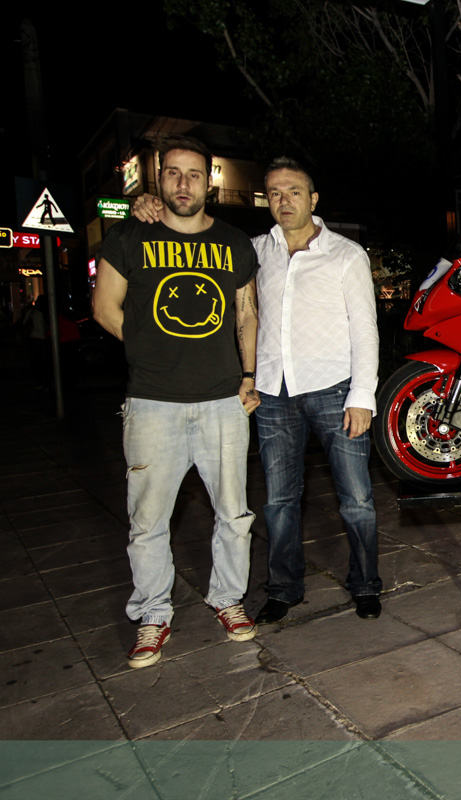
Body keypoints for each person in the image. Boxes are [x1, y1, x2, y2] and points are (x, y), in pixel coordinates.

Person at [134, 158, 382, 623]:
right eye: (274, 193)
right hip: (271, 393)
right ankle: (284, 589)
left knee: (357, 499)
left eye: (294, 191)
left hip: (334, 389)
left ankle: (365, 584)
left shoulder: (346, 254)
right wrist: (148, 206)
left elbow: (365, 331)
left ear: (313, 199)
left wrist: (362, 395)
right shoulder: (251, 250)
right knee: (278, 501)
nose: (284, 201)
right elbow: (197, 247)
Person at [92, 136, 260, 669]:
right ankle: (152, 614)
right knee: (147, 520)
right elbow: (104, 307)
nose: (183, 183)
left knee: (233, 513)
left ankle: (228, 599)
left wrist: (248, 376)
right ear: (158, 178)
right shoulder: (129, 235)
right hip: (152, 403)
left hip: (223, 401)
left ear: (209, 181)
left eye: (193, 174)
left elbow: (247, 313)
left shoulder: (234, 242)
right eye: (172, 173)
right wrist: (151, 350)